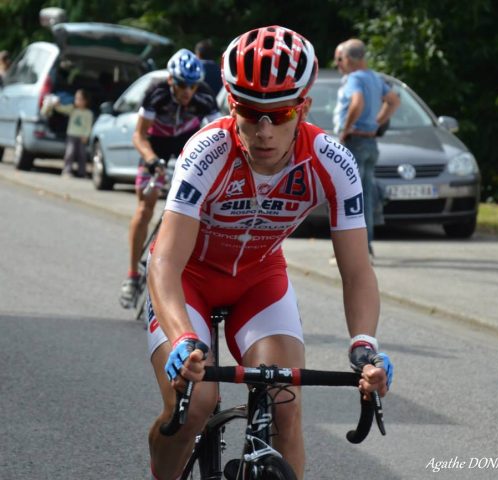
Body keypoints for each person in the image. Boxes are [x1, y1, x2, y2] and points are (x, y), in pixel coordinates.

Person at [146, 26, 394, 480]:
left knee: (286, 406)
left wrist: (365, 347)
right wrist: (182, 338)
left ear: (304, 109)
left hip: (259, 282)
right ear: (230, 104)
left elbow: (358, 271)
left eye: (278, 115)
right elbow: (164, 261)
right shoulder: (207, 151)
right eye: (249, 112)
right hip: (189, 281)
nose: (263, 131)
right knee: (195, 404)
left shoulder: (331, 161)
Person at [119, 49, 220, 309]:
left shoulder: (205, 96)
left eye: (193, 85)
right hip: (157, 144)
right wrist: (152, 160)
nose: (189, 92)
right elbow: (138, 136)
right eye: (183, 85)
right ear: (172, 81)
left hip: (188, 143)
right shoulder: (156, 92)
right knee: (145, 207)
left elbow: (219, 137)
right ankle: (131, 275)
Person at [333, 39, 400, 258]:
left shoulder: (354, 78)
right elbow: (393, 101)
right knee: (366, 196)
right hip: (371, 142)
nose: (338, 64)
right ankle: (367, 247)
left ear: (350, 59)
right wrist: (376, 123)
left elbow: (357, 103)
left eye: (340, 59)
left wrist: (345, 128)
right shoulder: (375, 77)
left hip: (355, 141)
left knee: (348, 197)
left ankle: (353, 252)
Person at [50, 88, 93, 178]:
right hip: (71, 135)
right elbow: (62, 109)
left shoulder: (89, 113)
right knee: (70, 153)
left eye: (79, 99)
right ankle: (67, 171)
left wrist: (86, 136)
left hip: (82, 136)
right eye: (76, 98)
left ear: (85, 101)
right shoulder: (72, 109)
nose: (76, 101)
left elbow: (88, 126)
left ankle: (82, 172)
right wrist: (56, 105)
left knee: (82, 155)